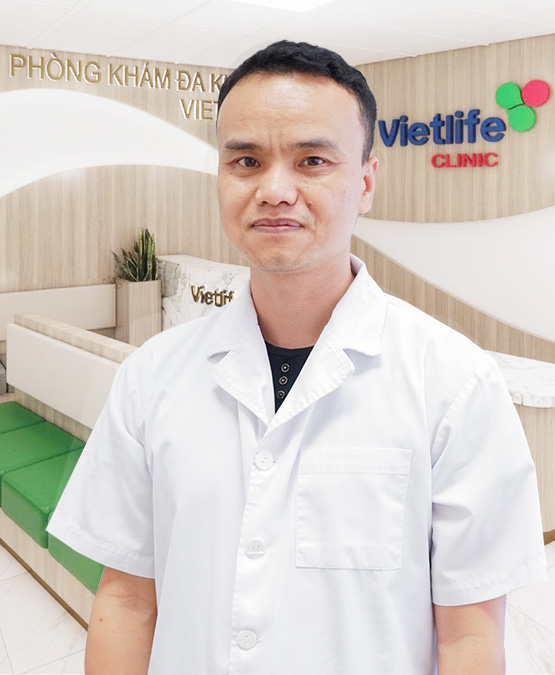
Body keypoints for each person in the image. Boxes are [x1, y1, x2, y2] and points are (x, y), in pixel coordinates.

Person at [47, 40, 547, 674]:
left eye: (312, 160)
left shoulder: (455, 382)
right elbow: (125, 602)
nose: (275, 189)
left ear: (365, 182)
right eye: (247, 161)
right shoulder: (152, 375)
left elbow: (469, 638)